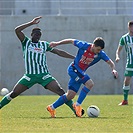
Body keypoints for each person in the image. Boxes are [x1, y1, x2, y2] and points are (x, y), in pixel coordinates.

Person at [0, 16, 83, 116]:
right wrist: (31, 23)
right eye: (36, 34)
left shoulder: (44, 45)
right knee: (14, 93)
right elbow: (17, 30)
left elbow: (58, 52)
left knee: (60, 91)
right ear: (31, 34)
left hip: (44, 76)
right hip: (29, 76)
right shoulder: (26, 42)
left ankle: (76, 111)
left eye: (39, 34)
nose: (38, 36)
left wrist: (74, 58)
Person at [47, 37, 118, 117]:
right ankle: (77, 105)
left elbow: (110, 62)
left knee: (70, 95)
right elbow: (71, 40)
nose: (99, 51)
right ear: (93, 45)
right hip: (73, 69)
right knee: (90, 84)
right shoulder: (84, 45)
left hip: (80, 73)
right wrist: (57, 43)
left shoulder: (100, 54)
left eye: (100, 50)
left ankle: (51, 107)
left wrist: (113, 70)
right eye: (98, 49)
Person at [115, 21, 133, 105]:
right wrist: (117, 56)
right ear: (128, 27)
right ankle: (125, 100)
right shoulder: (124, 38)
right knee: (127, 80)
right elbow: (118, 50)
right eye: (131, 26)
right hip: (130, 62)